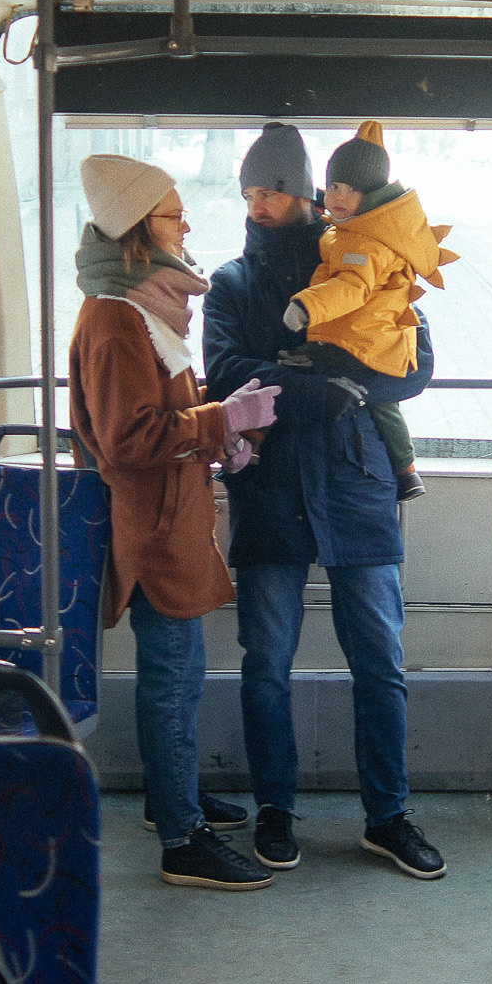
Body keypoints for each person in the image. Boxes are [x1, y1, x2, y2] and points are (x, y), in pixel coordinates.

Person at [203, 123, 446, 880]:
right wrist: (320, 388)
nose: (259, 203)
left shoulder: (362, 252)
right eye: (249, 191)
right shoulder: (232, 283)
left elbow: (415, 363)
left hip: (355, 485)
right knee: (265, 661)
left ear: (307, 189)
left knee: (381, 661)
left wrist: (325, 380)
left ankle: (388, 814)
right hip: (271, 489)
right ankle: (274, 807)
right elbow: (222, 374)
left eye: (271, 188)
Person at [68, 154, 281, 891]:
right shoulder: (116, 320)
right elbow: (129, 437)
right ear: (135, 234)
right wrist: (225, 416)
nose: (186, 224)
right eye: (171, 214)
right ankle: (182, 839)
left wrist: (223, 442)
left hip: (173, 515)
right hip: (151, 531)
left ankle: (170, 799)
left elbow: (164, 421)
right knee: (171, 678)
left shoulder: (143, 309)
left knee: (182, 677)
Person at [278, 120, 457, 502]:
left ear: (373, 195)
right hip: (359, 334)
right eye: (335, 186)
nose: (338, 196)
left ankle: (407, 469)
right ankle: (407, 471)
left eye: (352, 189)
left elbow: (351, 288)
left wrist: (306, 305)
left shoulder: (366, 244)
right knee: (379, 402)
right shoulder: (350, 231)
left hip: (365, 338)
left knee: (351, 385)